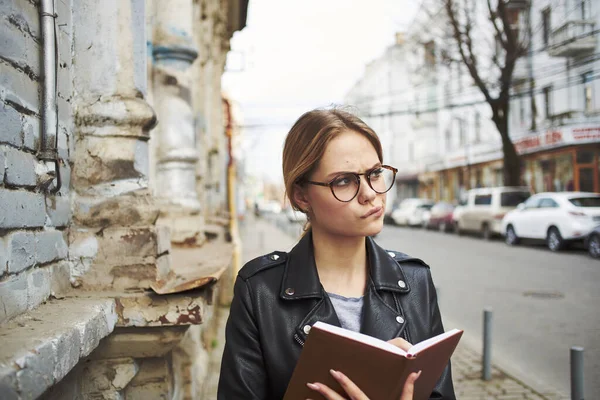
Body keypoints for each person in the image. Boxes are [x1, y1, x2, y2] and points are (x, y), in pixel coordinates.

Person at [218, 108, 456, 399]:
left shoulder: (416, 281)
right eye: (344, 180)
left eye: (375, 174)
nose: (369, 193)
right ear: (302, 196)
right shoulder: (259, 291)